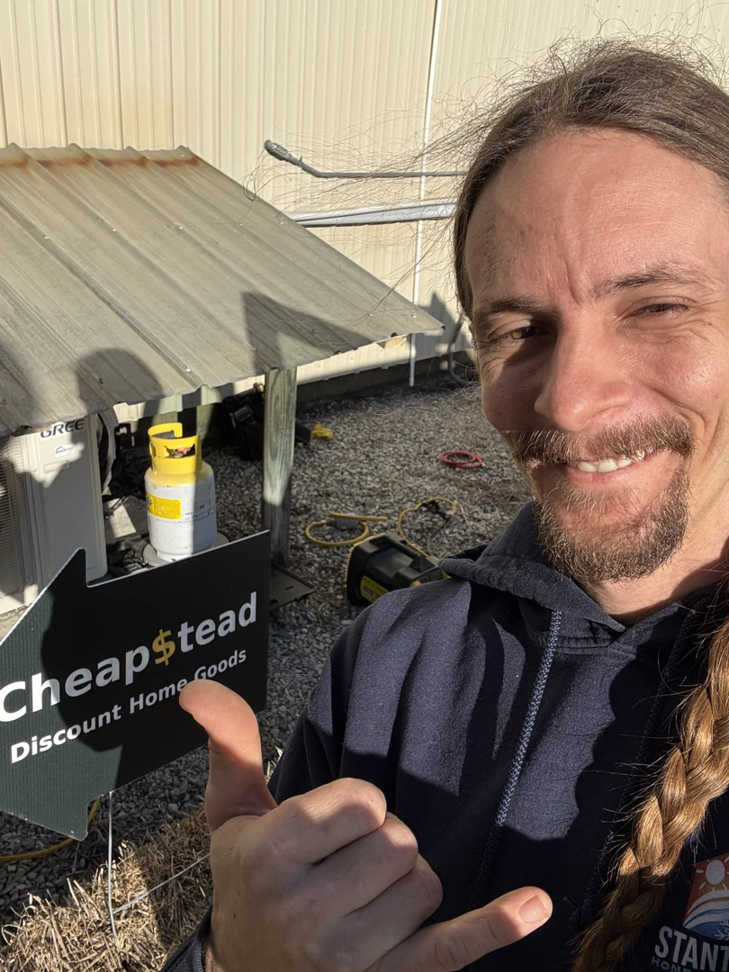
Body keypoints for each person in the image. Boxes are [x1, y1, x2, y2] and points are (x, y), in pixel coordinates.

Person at [162, 41, 729, 971]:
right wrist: (231, 957)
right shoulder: (395, 662)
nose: (567, 402)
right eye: (517, 329)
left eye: (656, 307)